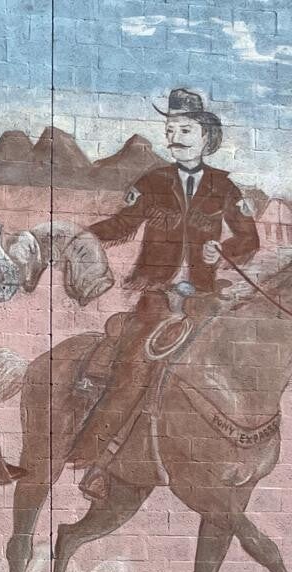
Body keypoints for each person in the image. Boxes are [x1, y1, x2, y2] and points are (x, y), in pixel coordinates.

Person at [71, 88, 260, 501]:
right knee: (136, 366)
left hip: (206, 298)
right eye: (171, 130)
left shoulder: (224, 187)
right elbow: (123, 225)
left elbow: (250, 239)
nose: (175, 137)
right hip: (157, 297)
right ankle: (99, 459)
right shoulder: (152, 182)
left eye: (185, 130)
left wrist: (224, 250)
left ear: (207, 136)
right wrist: (83, 235)